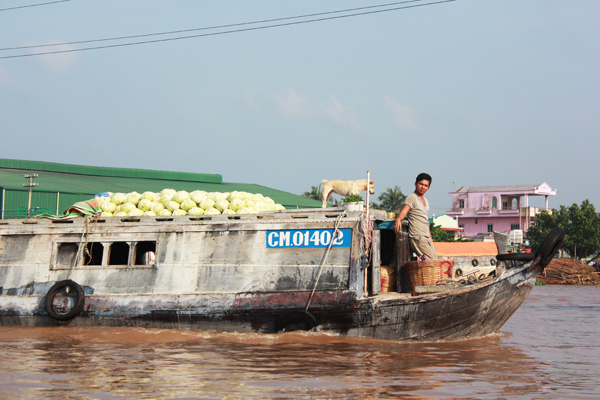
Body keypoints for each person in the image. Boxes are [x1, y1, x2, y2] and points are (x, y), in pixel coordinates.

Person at [393, 173, 437, 259]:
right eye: (421, 184)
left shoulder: (426, 201)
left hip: (426, 238)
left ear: (428, 187)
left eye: (425, 185)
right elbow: (403, 212)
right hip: (417, 237)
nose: (423, 187)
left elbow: (425, 221)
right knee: (431, 261)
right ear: (415, 183)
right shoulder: (412, 197)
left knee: (435, 261)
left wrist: (431, 240)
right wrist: (398, 219)